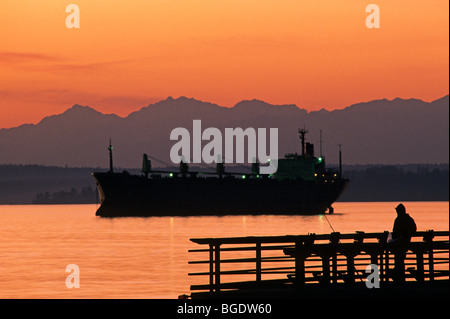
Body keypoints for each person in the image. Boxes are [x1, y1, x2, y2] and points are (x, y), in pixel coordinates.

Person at [390, 203, 417, 282]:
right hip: (406, 243)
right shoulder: (409, 219)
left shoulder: (398, 219)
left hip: (399, 244)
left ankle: (398, 277)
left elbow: (394, 232)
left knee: (399, 259)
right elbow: (414, 229)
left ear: (398, 211)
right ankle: (400, 276)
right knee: (401, 259)